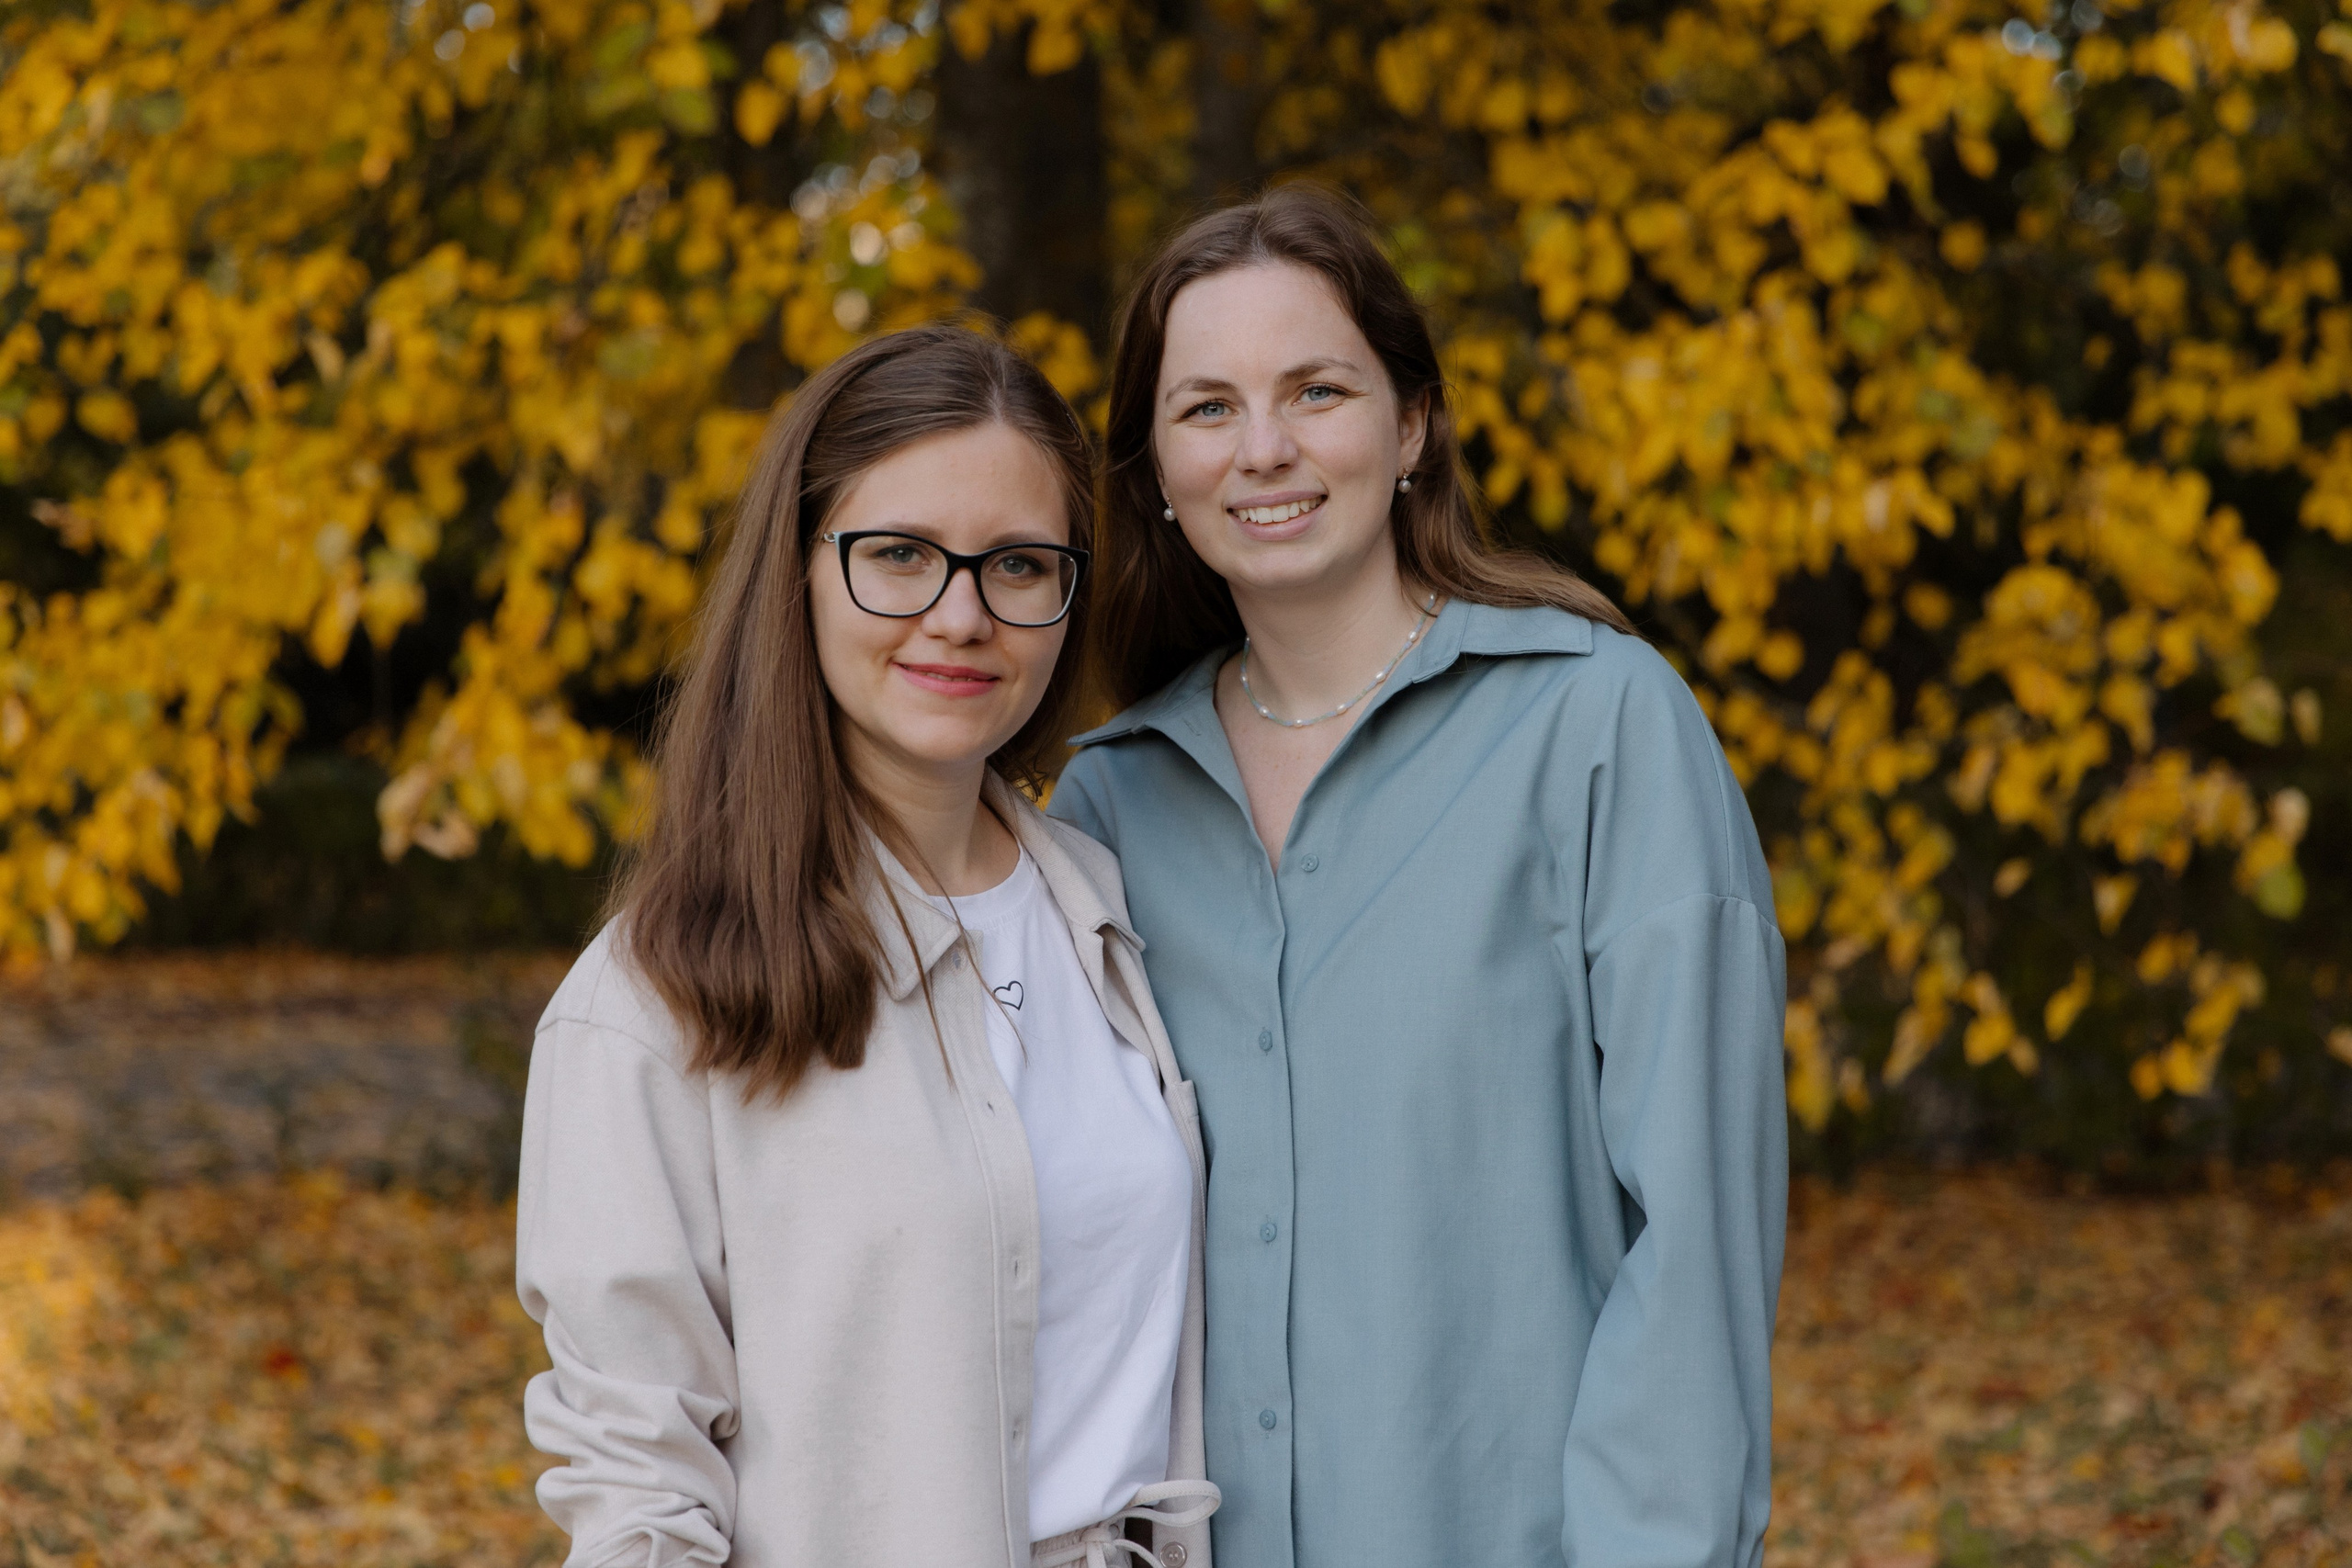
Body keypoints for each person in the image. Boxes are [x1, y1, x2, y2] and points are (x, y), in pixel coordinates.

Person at [1047, 186, 1788, 1568]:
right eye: (1206, 409)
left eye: (1316, 390)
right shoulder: (1104, 805)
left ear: (1412, 423)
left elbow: (1696, 1243)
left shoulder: (1599, 726)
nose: (1263, 451)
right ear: (1153, 464)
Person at [515, 323, 1218, 1568]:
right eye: (897, 556)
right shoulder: (652, 1004)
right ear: (797, 572)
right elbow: (638, 1484)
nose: (961, 616)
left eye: (1017, 565)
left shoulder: (1105, 915)